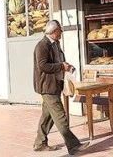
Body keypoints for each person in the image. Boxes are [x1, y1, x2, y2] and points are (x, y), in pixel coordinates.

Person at [33, 20, 89, 155]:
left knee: (48, 116)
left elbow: (57, 62)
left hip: (56, 85)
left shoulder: (55, 44)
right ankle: (73, 145)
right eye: (60, 30)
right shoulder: (42, 46)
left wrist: (66, 66)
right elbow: (43, 66)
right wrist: (61, 66)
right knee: (60, 116)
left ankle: (40, 143)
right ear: (53, 31)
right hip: (47, 87)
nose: (61, 32)